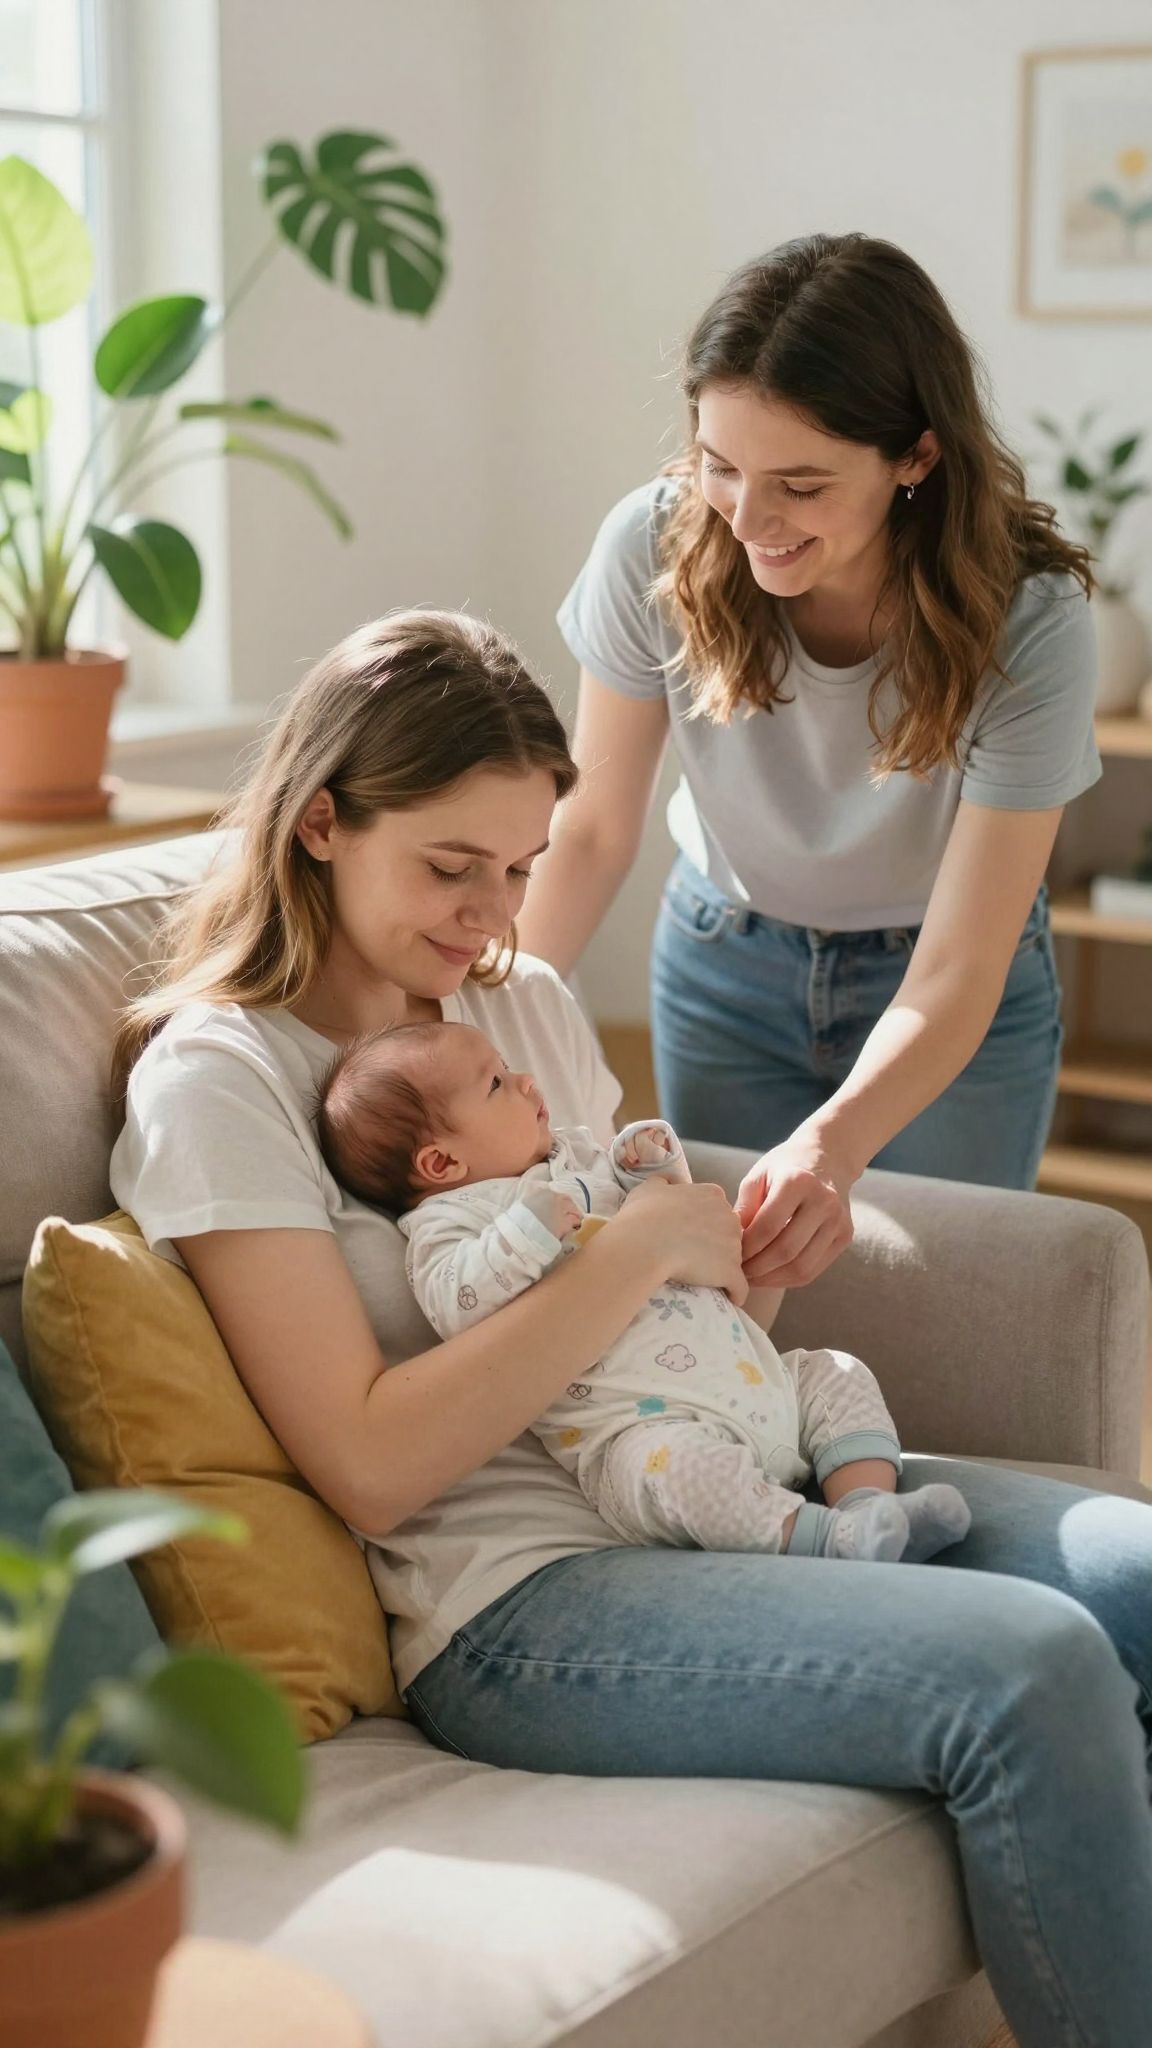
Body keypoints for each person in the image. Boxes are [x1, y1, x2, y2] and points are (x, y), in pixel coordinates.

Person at [109, 608, 1152, 2048]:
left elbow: (677, 1309)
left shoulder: (519, 1006)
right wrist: (636, 1248)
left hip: (726, 1478)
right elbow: (366, 1464)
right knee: (1028, 1672)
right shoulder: (219, 1078)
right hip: (524, 1603)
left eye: (522, 869)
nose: (493, 918)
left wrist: (758, 1258)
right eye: (452, 869)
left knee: (1143, 1574)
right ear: (320, 825)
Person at [518, 232, 1099, 1293]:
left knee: (950, 1310)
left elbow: (963, 964)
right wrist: (490, 1013)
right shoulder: (654, 547)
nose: (749, 517)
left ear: (916, 457)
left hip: (946, 983)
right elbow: (594, 831)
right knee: (727, 1303)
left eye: (800, 483)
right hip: (725, 970)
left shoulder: (1029, 618)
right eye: (721, 465)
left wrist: (834, 1145)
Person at [315, 1017, 971, 1564]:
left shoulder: (568, 1161)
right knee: (681, 1473)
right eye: (495, 1084)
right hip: (645, 1430)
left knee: (836, 1372)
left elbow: (675, 1222)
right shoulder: (448, 1225)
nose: (526, 1081)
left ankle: (871, 1506)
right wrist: (528, 1228)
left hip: (754, 1383)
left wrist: (651, 1166)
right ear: (441, 1162)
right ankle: (835, 1541)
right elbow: (458, 1304)